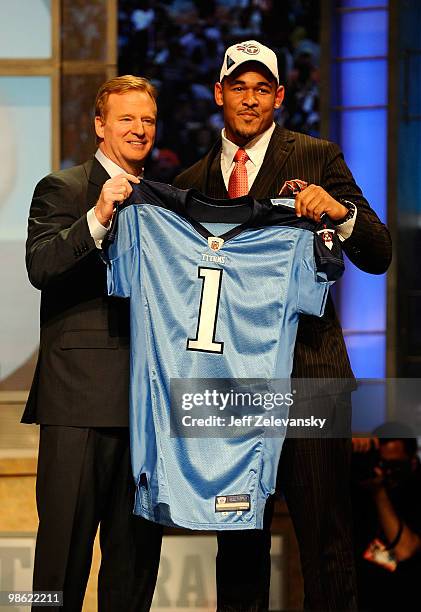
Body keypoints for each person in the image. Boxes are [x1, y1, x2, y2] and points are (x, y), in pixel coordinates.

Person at [174, 40, 392, 610]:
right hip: (231, 388)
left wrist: (340, 213)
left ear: (280, 97)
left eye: (261, 88)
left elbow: (379, 251)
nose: (250, 100)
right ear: (219, 94)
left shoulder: (316, 157)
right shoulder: (193, 181)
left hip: (311, 375)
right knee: (238, 547)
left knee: (326, 539)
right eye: (238, 87)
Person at [23, 75, 163, 612]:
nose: (139, 129)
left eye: (147, 119)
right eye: (126, 118)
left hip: (145, 410)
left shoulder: (163, 200)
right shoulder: (63, 188)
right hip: (77, 404)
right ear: (100, 126)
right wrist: (100, 214)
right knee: (58, 569)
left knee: (132, 570)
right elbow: (42, 266)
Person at [352, 424, 421, 611]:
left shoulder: (416, 493)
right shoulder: (360, 487)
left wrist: (379, 492)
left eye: (395, 466)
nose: (386, 473)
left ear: (413, 463)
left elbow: (405, 550)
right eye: (382, 464)